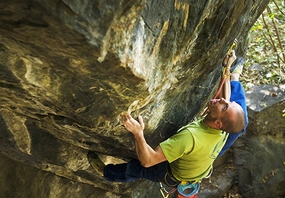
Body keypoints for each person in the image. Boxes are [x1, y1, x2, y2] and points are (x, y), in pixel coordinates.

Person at [88, 51, 246, 187]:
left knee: (137, 169)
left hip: (174, 173)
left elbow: (148, 161)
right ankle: (235, 78)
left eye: (225, 107)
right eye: (228, 103)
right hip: (201, 160)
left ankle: (105, 172)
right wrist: (226, 70)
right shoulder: (224, 129)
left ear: (218, 123)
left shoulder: (190, 138)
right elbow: (227, 98)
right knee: (241, 123)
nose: (223, 100)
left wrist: (138, 133)